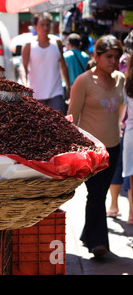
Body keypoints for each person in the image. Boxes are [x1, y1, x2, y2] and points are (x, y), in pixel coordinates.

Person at [67, 35, 125, 258]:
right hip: (91, 150)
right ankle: (98, 244)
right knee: (96, 193)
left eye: (117, 57)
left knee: (99, 195)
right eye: (109, 56)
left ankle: (87, 234)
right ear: (97, 56)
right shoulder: (84, 81)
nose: (113, 61)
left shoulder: (120, 79)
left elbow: (121, 106)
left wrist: (118, 126)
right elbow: (72, 115)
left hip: (114, 148)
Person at [22, 12, 70, 114]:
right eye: (42, 25)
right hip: (36, 94)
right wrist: (24, 83)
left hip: (56, 93)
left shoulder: (57, 42)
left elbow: (63, 64)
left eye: (47, 25)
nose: (45, 28)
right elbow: (23, 67)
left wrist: (68, 85)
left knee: (58, 124)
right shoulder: (29, 45)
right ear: (35, 27)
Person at [108, 30, 133, 219]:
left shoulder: (124, 72)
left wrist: (117, 123)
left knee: (125, 171)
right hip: (127, 126)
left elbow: (122, 102)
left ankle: (122, 209)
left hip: (127, 126)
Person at [122, 48, 133, 226]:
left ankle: (132, 212)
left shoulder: (127, 83)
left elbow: (122, 109)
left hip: (130, 131)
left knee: (132, 175)